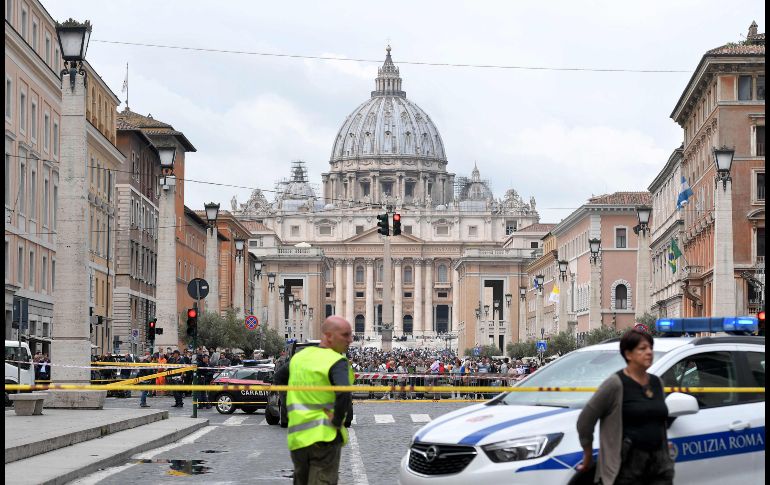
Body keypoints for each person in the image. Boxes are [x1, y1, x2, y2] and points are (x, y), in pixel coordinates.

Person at [576, 329, 673, 485]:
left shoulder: (657, 383)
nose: (649, 352)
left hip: (658, 466)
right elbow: (585, 421)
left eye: (650, 348)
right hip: (626, 466)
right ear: (628, 354)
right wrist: (587, 454)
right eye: (642, 348)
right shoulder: (615, 384)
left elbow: (659, 419)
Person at [286, 316, 354, 485]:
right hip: (324, 437)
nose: (350, 340)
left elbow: (279, 379)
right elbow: (344, 393)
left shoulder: (299, 357)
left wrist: (289, 412)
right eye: (345, 335)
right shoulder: (336, 360)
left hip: (298, 439)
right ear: (329, 336)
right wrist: (337, 420)